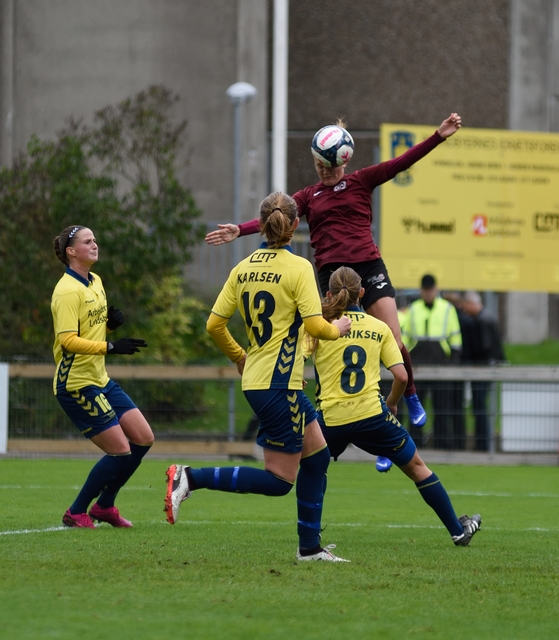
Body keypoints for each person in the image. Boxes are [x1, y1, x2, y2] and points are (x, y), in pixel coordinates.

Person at [205, 113, 464, 445]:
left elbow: (401, 163)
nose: (324, 172)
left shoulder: (361, 181)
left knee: (395, 339)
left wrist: (438, 136)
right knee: (323, 342)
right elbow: (276, 215)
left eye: (329, 167)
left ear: (343, 161)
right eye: (319, 166)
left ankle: (409, 395)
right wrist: (240, 230)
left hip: (368, 268)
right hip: (332, 275)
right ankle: (327, 406)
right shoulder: (308, 196)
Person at [164, 192, 352, 563]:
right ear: (295, 224)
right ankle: (190, 477)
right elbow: (316, 325)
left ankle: (310, 548)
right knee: (279, 481)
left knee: (318, 458)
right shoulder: (298, 267)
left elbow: (214, 325)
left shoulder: (243, 268)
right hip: (278, 385)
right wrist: (338, 328)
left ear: (262, 225)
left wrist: (239, 356)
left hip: (263, 381)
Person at [310, 266, 482, 546]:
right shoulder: (379, 328)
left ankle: (310, 537)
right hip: (371, 415)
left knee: (313, 469)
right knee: (417, 467)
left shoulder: (319, 328)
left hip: (331, 417)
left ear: (329, 294)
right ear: (362, 293)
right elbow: (401, 376)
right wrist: (391, 403)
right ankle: (458, 531)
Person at [51, 225, 153, 529]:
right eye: (88, 241)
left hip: (100, 379)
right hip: (76, 384)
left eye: (95, 239)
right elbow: (68, 341)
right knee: (120, 450)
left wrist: (109, 327)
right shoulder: (66, 291)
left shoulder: (95, 281)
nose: (95, 244)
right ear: (71, 252)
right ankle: (76, 512)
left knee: (143, 438)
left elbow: (89, 330)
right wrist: (110, 346)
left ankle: (105, 506)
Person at [403, 273, 463, 453]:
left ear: (436, 289)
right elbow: (406, 337)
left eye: (430, 290)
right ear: (421, 290)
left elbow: (455, 336)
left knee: (442, 407)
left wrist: (454, 362)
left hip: (441, 365)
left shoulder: (447, 309)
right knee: (416, 406)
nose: (428, 293)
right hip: (417, 366)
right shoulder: (413, 309)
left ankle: (441, 444)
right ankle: (415, 444)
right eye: (425, 290)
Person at [458, 291, 505, 452]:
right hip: (487, 368)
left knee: (479, 407)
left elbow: (484, 347)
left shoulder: (481, 321)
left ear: (471, 303)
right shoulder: (487, 318)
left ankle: (483, 444)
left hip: (482, 369)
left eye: (465, 305)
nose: (464, 309)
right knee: (480, 407)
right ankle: (482, 443)